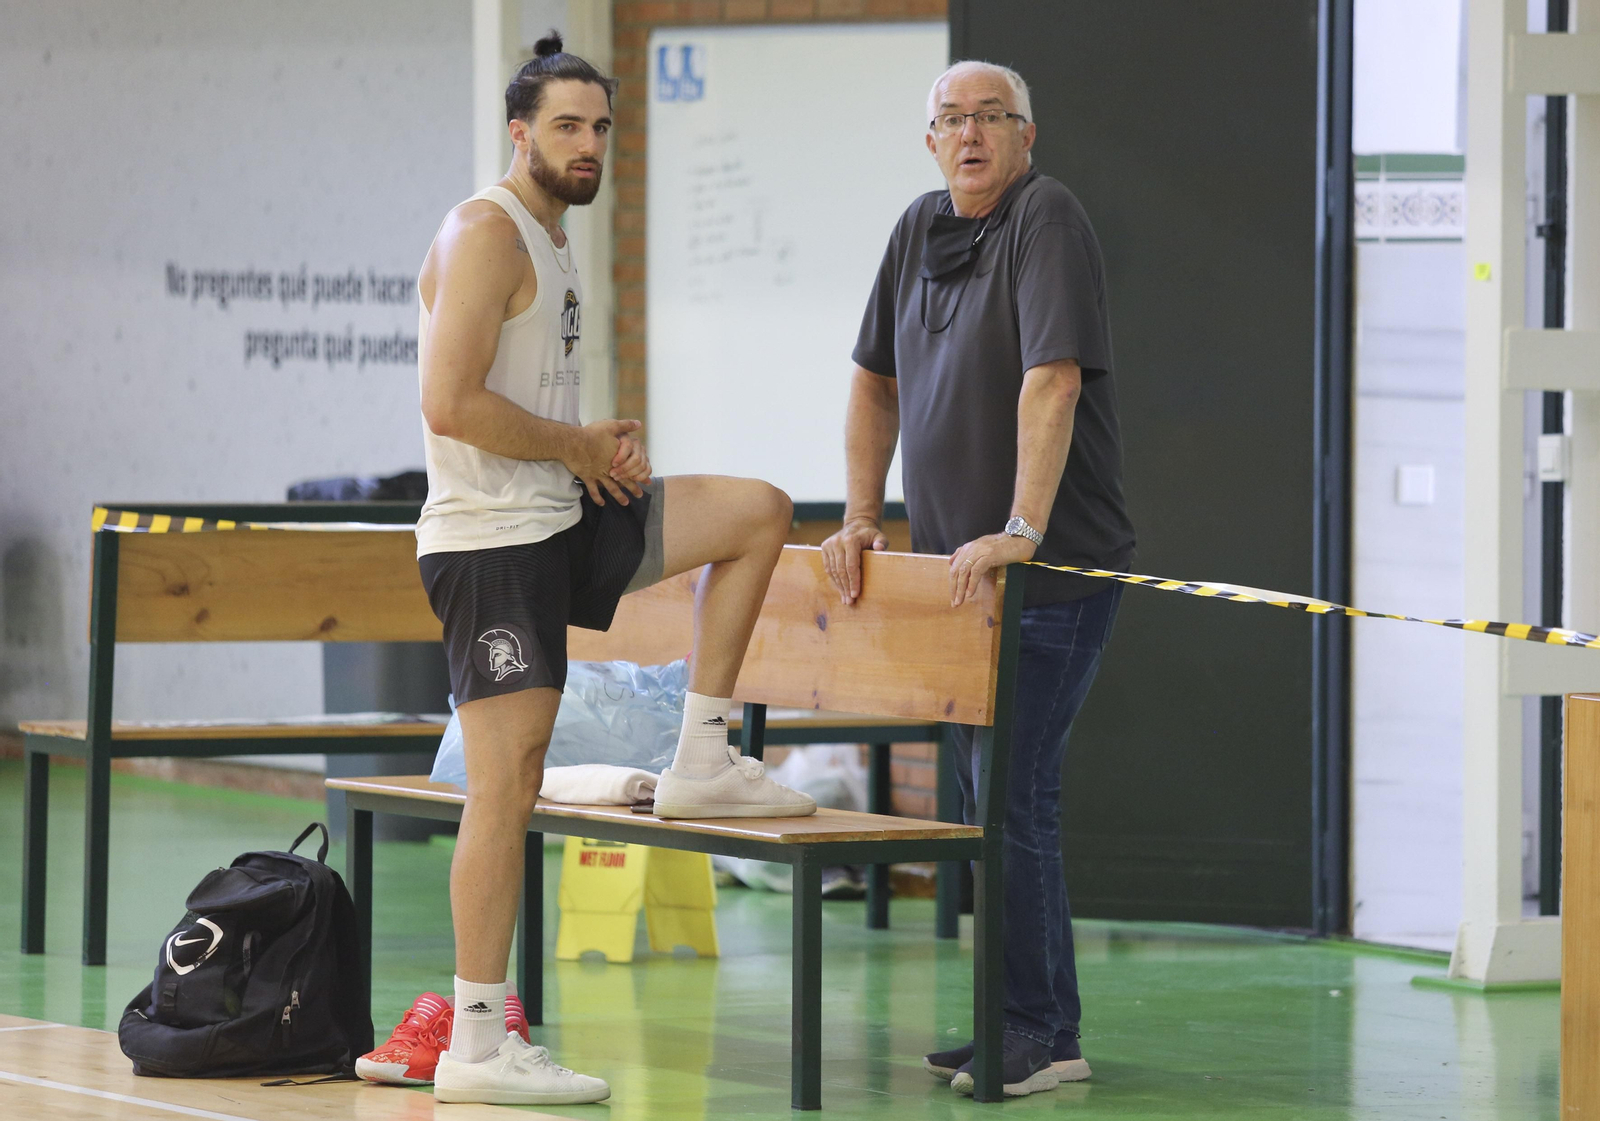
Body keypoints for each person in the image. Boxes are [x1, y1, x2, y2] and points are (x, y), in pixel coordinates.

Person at [356, 35, 814, 1107]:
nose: (588, 144)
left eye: (600, 127)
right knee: (504, 783)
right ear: (521, 133)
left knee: (757, 513)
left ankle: (703, 752)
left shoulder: (555, 239)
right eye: (567, 125)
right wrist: (572, 447)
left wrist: (597, 446)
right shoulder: (483, 231)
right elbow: (448, 403)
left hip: (563, 510)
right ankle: (476, 1037)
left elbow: (526, 405)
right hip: (492, 544)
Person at [821, 59, 1136, 1099]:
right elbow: (873, 380)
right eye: (951, 120)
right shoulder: (917, 228)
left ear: (1025, 135)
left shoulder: (1047, 219)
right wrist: (864, 516)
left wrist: (1020, 527)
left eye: (990, 118)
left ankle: (1040, 1033)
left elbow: (1050, 380)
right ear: (928, 142)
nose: (969, 135)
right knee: (982, 798)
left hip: (1046, 572)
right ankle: (1017, 1017)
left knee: (1012, 799)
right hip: (957, 583)